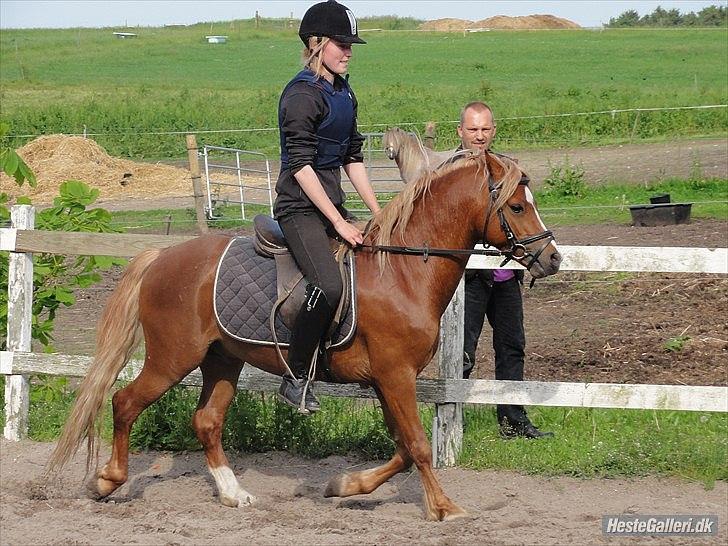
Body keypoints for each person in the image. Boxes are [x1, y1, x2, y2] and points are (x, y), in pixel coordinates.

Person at [274, 0, 381, 414]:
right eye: (341, 43)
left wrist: (379, 211)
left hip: (331, 206)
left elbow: (352, 156)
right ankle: (296, 376)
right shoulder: (301, 95)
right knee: (329, 285)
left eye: (351, 44)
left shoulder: (343, 91)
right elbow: (300, 166)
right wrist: (338, 221)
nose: (348, 50)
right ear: (315, 44)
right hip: (300, 209)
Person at [457, 101, 553, 439]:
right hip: (468, 278)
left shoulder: (507, 169)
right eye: (473, 130)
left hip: (504, 273)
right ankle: (453, 422)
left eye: (485, 129)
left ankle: (513, 420)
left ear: (493, 131)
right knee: (462, 351)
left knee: (512, 345)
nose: (479, 136)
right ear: (461, 132)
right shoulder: (452, 172)